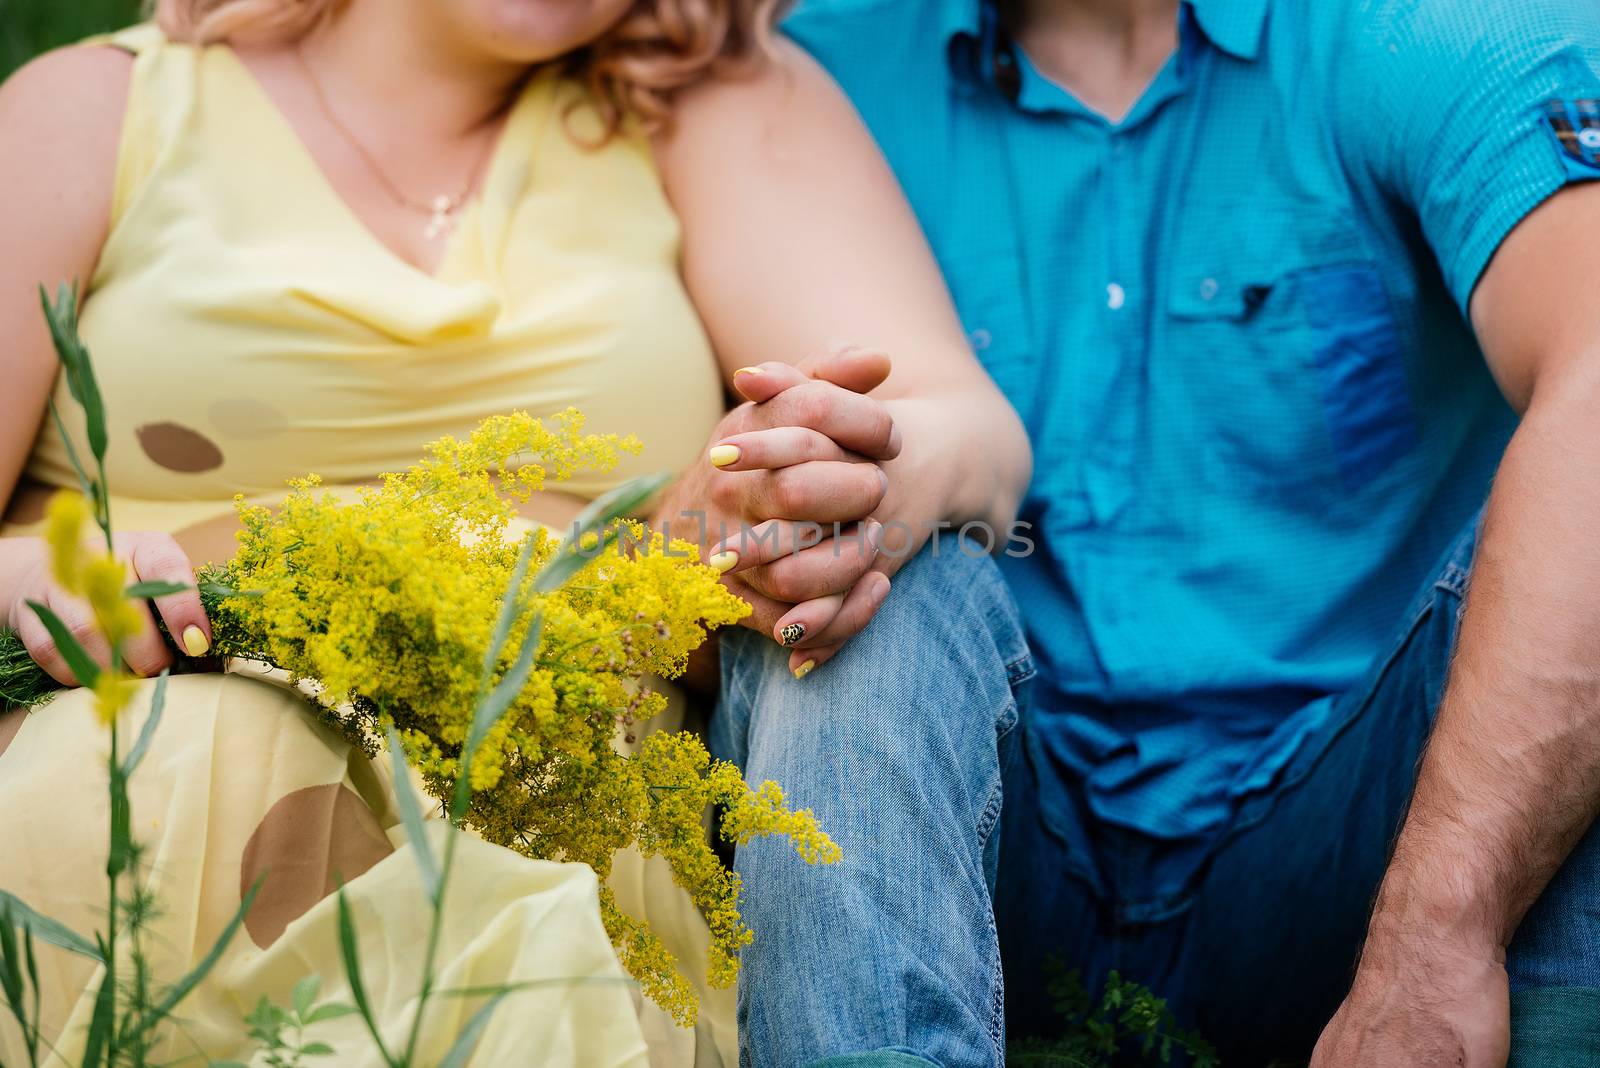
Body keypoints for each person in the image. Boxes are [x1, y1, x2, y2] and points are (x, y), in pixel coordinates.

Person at [0, 0, 1033, 1064]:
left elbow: (960, 425)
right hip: (156, 752)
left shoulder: (703, 105)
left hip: (554, 808)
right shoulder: (98, 111)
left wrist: (828, 468)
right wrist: (34, 571)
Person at [786, 0, 1600, 1063]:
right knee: (863, 599)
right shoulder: (819, 79)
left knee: (1573, 573)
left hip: (1365, 831)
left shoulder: (1432, 31)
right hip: (990, 850)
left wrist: (1436, 937)